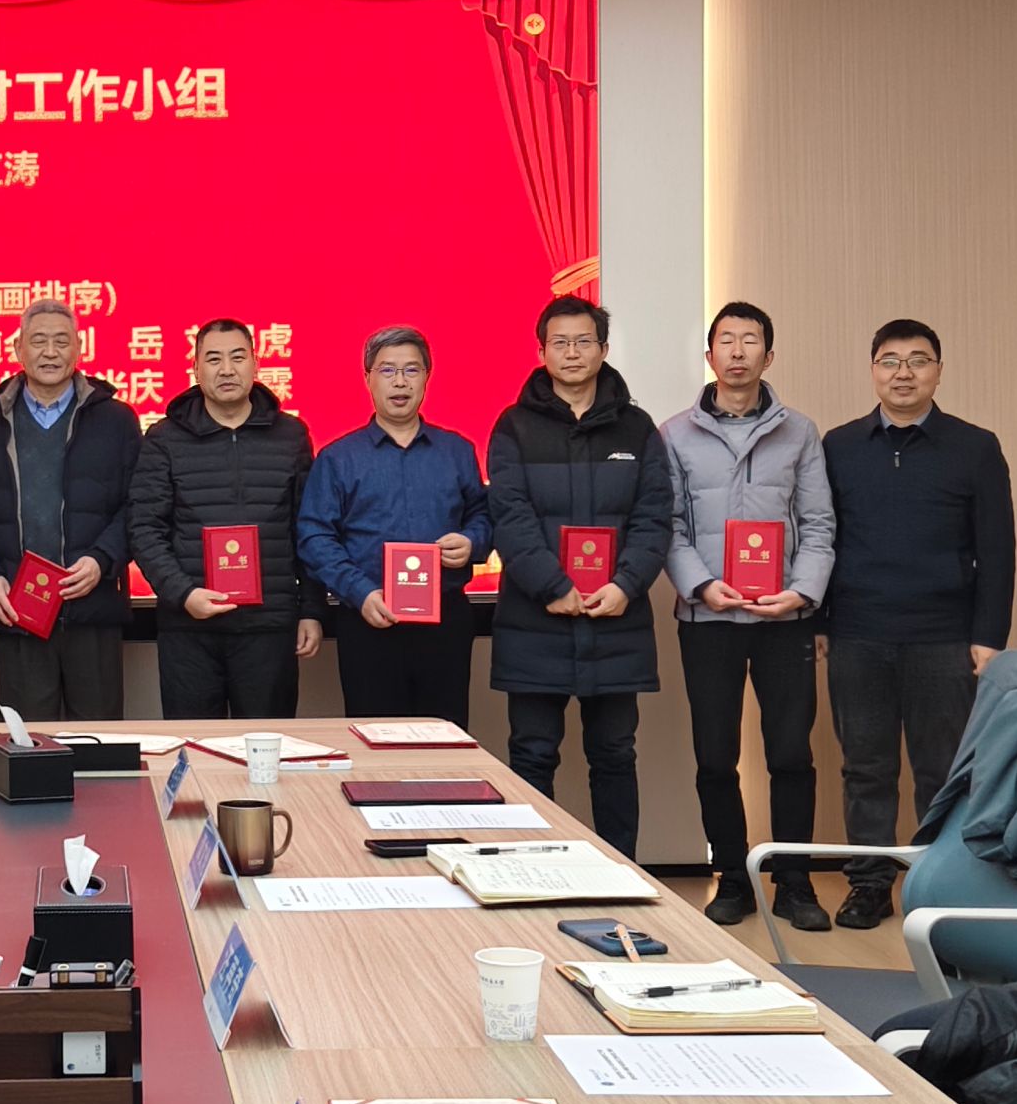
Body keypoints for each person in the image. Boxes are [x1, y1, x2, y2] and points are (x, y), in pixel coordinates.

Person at [822, 318, 1016, 930]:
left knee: (944, 770)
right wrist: (821, 624)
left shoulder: (975, 447)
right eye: (889, 360)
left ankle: (940, 886)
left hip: (944, 637)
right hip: (857, 633)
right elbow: (821, 539)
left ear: (938, 370)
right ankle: (869, 886)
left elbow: (998, 549)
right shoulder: (839, 446)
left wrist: (989, 637)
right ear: (872, 370)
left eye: (918, 360)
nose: (903, 373)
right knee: (866, 768)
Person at [659, 302, 836, 930]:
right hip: (708, 620)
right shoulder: (674, 434)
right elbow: (668, 525)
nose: (737, 352)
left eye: (750, 340)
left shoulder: (800, 432)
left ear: (769, 355)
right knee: (715, 756)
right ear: (709, 356)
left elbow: (818, 524)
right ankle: (732, 879)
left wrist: (802, 593)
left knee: (790, 754)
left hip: (784, 620)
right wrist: (702, 586)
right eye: (726, 341)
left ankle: (794, 883)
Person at [487, 297, 672, 859]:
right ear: (541, 351)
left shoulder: (637, 428)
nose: (572, 353)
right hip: (534, 620)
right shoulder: (514, 426)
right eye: (560, 343)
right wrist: (553, 586)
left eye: (584, 341)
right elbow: (510, 516)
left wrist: (626, 585)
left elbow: (654, 516)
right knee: (532, 754)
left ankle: (621, 873)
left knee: (615, 755)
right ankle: (531, 873)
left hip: (616, 620)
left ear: (604, 349)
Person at [296, 325, 492, 728]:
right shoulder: (338, 458)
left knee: (445, 738)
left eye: (411, 370)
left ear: (427, 376)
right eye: (387, 370)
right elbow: (315, 536)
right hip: (368, 619)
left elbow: (484, 515)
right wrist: (360, 591)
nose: (400, 381)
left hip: (445, 621)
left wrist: (471, 541)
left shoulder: (457, 451)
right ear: (367, 378)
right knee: (375, 740)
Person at [0, 300, 141, 721]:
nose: (51, 352)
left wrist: (102, 559)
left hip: (92, 608)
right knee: (28, 744)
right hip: (17, 608)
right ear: (18, 349)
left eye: (62, 341)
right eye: (39, 341)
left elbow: (137, 506)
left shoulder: (116, 420)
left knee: (98, 742)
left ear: (79, 348)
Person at [130, 319, 324, 720]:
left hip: (268, 627)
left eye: (238, 357)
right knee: (196, 747)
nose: (227, 369)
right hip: (189, 629)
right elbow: (145, 529)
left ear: (256, 364)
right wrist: (184, 594)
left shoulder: (291, 435)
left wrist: (311, 610)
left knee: (267, 747)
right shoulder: (165, 438)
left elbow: (308, 529)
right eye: (214, 359)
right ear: (196, 369)